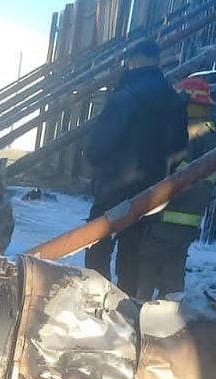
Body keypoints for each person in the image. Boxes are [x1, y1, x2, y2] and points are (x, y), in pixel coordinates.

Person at [83, 39, 187, 294]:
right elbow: (180, 146)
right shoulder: (174, 100)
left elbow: (99, 144)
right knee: (133, 249)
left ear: (135, 60)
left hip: (115, 185)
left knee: (98, 242)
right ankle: (126, 302)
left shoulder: (126, 95)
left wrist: (95, 161)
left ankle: (93, 299)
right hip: (152, 189)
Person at [131, 76, 216, 301]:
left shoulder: (189, 133)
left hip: (168, 214)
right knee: (174, 266)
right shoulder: (210, 133)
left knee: (148, 261)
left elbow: (172, 172)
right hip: (189, 220)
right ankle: (169, 317)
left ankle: (140, 310)